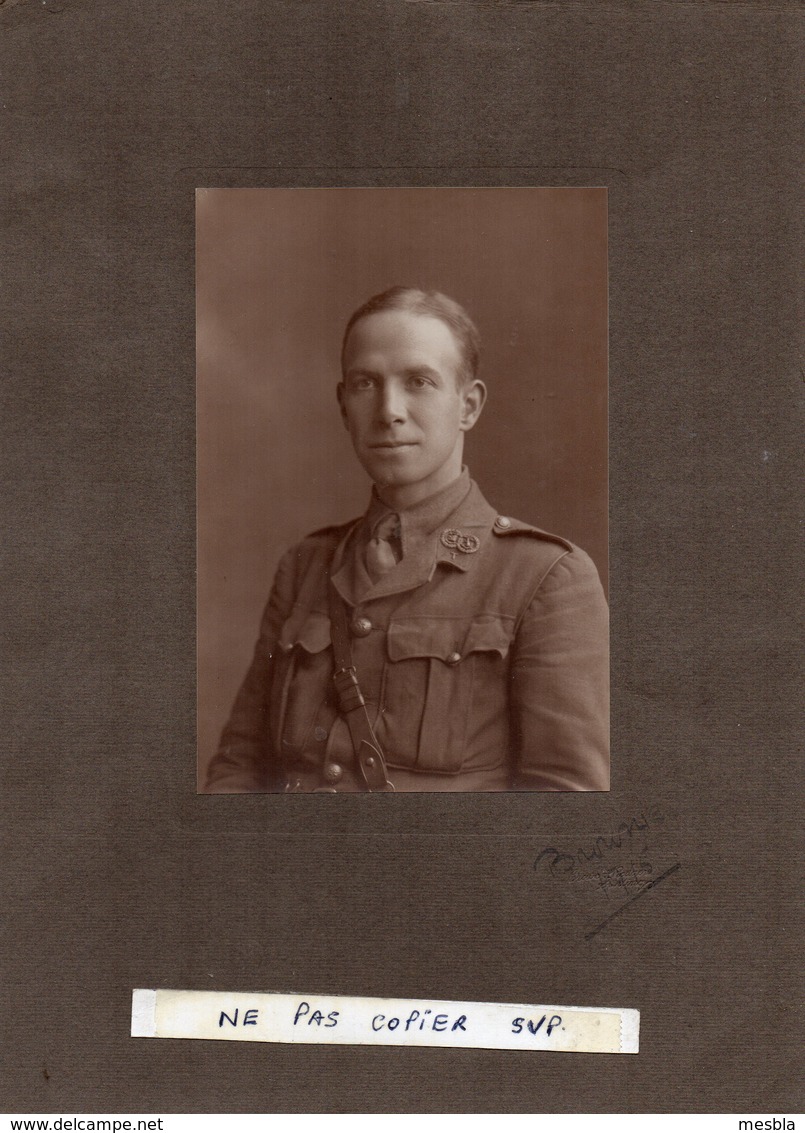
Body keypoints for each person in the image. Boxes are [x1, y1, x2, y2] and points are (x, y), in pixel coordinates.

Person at [205, 286, 609, 793]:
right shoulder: (305, 565)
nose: (388, 409)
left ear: (468, 405)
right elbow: (239, 767)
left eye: (418, 381)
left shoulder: (544, 576)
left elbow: (564, 804)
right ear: (342, 405)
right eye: (365, 384)